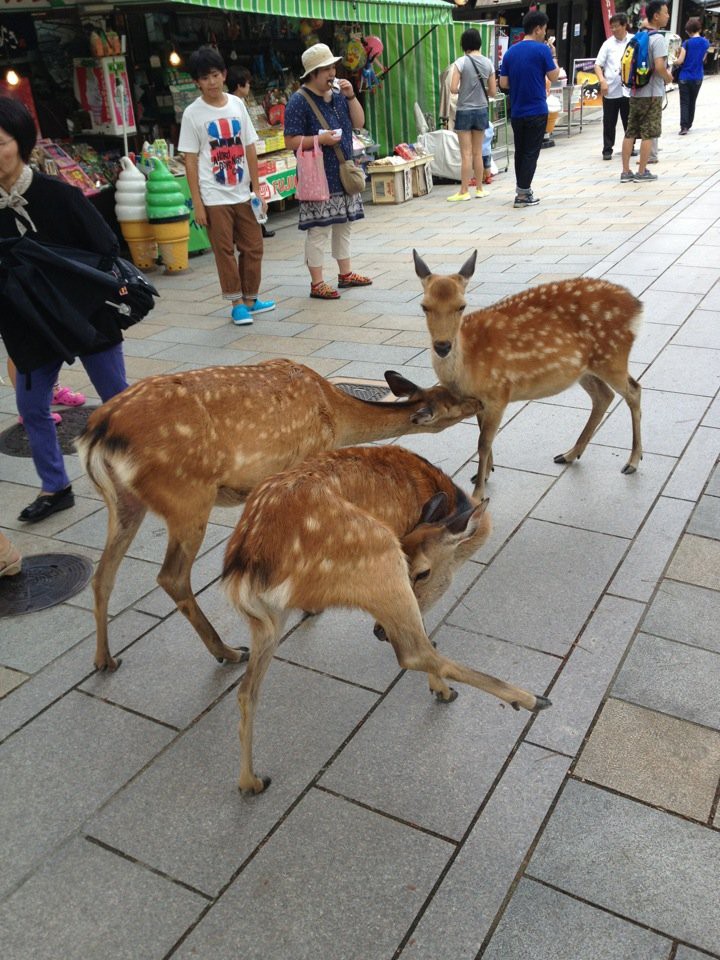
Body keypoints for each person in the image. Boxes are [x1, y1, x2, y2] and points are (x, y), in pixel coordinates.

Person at [0, 97, 129, 524]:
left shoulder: (58, 195)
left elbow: (106, 247)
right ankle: (55, 486)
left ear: (19, 143)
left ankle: (138, 472)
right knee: (32, 406)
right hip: (30, 325)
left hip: (87, 314)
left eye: (0, 142)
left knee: (117, 401)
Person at [179, 47, 276, 326]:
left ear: (223, 74)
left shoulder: (237, 104)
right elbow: (190, 159)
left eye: (214, 75)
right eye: (204, 78)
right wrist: (197, 202)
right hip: (213, 195)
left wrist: (257, 189)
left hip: (242, 191)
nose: (211, 82)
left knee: (253, 246)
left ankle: (251, 298)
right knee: (224, 250)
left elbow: (249, 147)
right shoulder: (192, 114)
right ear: (196, 82)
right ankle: (237, 303)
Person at [283, 43, 371, 300]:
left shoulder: (339, 95)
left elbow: (359, 123)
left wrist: (352, 95)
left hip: (343, 170)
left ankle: (345, 273)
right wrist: (320, 140)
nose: (332, 72)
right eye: (326, 69)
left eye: (333, 67)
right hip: (318, 175)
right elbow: (290, 141)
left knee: (344, 224)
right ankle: (317, 282)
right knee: (318, 229)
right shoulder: (299, 101)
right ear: (313, 73)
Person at [499, 11, 560, 208]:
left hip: (517, 111)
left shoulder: (510, 52)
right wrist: (553, 54)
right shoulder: (542, 50)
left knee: (521, 151)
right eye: (544, 29)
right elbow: (554, 77)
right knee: (531, 153)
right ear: (537, 29)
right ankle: (523, 194)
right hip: (536, 109)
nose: (544, 33)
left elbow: (504, 83)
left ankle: (522, 189)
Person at [620, 1, 672, 183]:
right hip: (652, 93)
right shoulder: (658, 39)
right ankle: (642, 171)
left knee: (630, 132)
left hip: (635, 92)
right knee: (649, 133)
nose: (668, 16)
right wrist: (669, 77)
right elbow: (659, 66)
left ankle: (626, 172)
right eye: (665, 13)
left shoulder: (638, 36)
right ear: (656, 16)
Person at [447, 28, 497, 202]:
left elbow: (453, 88)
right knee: (478, 152)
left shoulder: (460, 62)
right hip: (482, 110)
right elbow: (492, 92)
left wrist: (464, 89)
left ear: (463, 44)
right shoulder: (488, 63)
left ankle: (464, 191)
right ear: (479, 43)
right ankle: (480, 189)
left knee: (466, 154)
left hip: (464, 111)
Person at [226, 67, 275, 238]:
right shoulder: (233, 104)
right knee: (250, 196)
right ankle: (257, 226)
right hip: (239, 160)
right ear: (240, 85)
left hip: (240, 161)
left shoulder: (237, 103)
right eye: (247, 83)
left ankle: (258, 227)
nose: (249, 86)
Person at [594, 12, 633, 160]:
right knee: (609, 121)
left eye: (616, 27)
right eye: (612, 27)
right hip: (610, 88)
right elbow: (598, 65)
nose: (614, 30)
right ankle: (607, 149)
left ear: (624, 26)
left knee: (628, 120)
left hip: (628, 89)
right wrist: (602, 81)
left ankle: (631, 146)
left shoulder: (633, 41)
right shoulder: (608, 44)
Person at [675, 17, 710, 135]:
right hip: (698, 77)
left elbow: (680, 61)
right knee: (692, 101)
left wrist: (672, 61)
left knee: (684, 102)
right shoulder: (705, 42)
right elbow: (704, 59)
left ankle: (684, 126)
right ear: (699, 29)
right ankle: (689, 123)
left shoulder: (687, 43)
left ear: (689, 30)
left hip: (685, 76)